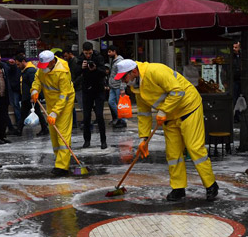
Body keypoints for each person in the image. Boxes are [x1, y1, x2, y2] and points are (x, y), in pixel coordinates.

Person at [114, 59, 219, 202]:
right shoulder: (137, 89)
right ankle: (178, 188)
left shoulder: (156, 70)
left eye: (124, 77)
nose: (124, 82)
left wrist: (164, 110)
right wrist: (144, 138)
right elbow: (144, 114)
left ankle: (211, 185)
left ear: (133, 71)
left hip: (188, 108)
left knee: (195, 149)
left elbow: (178, 91)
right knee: (173, 153)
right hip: (169, 116)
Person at [30, 50, 75, 176]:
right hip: (51, 102)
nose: (43, 69)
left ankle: (62, 166)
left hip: (64, 104)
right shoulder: (43, 68)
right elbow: (38, 79)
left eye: (45, 66)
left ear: (52, 62)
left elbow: (64, 95)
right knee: (53, 131)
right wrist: (34, 90)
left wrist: (55, 112)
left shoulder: (63, 72)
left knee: (62, 132)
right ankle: (59, 159)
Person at [74, 42, 108, 149]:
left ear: (92, 50)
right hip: (87, 89)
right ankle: (87, 140)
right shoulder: (79, 59)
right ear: (83, 51)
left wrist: (95, 68)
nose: (88, 55)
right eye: (86, 53)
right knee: (87, 116)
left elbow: (104, 72)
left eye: (89, 53)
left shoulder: (98, 57)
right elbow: (75, 72)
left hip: (98, 89)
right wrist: (82, 68)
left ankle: (103, 141)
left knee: (99, 115)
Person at [15, 53, 49, 137]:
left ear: (23, 61)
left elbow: (34, 84)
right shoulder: (25, 70)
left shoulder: (30, 71)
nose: (18, 66)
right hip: (27, 97)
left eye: (18, 64)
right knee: (30, 112)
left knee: (32, 112)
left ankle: (20, 129)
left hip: (30, 97)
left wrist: (33, 95)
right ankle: (44, 128)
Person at [106, 45, 127, 128]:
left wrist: (122, 87)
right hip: (113, 85)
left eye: (109, 51)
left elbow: (122, 75)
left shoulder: (119, 61)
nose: (108, 53)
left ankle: (122, 120)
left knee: (120, 104)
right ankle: (119, 118)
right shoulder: (114, 61)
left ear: (114, 51)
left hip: (118, 86)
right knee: (111, 102)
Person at [5, 56, 23, 134]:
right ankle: (19, 122)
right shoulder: (10, 68)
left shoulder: (16, 68)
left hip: (15, 88)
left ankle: (19, 122)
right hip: (14, 88)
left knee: (16, 104)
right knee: (16, 105)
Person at [231, 41, 242, 122]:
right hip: (233, 80)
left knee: (240, 98)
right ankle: (235, 116)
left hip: (241, 80)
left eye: (236, 47)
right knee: (234, 98)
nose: (234, 49)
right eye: (233, 47)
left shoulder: (241, 56)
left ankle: (238, 115)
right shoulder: (231, 57)